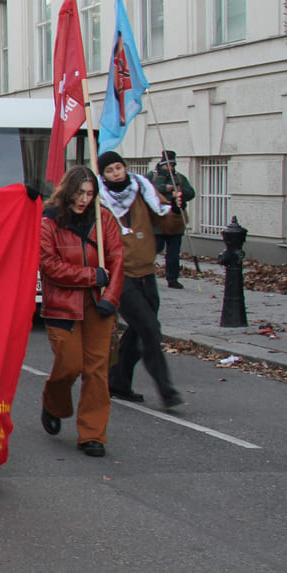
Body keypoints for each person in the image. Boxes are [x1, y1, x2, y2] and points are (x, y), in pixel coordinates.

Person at [39, 166, 124, 458]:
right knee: (70, 364)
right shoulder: (49, 221)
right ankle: (54, 403)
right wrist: (90, 276)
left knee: (97, 370)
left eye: (89, 193)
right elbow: (49, 265)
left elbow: (117, 259)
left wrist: (111, 297)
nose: (84, 199)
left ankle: (92, 434)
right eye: (79, 193)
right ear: (68, 192)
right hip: (62, 304)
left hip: (98, 304)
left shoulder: (103, 218)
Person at [97, 151, 184, 409]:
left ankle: (118, 380)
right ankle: (166, 390)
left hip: (146, 272)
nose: (116, 173)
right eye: (110, 170)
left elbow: (169, 225)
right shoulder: (99, 200)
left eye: (119, 167)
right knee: (149, 328)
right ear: (103, 175)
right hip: (120, 276)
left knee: (138, 329)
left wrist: (176, 209)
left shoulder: (142, 189)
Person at [151, 150, 195, 289]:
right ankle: (146, 275)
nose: (170, 168)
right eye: (167, 165)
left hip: (175, 220)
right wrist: (165, 188)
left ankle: (173, 278)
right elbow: (146, 190)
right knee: (153, 250)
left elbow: (191, 193)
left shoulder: (180, 178)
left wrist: (180, 190)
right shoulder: (152, 177)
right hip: (157, 222)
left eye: (172, 165)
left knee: (173, 254)